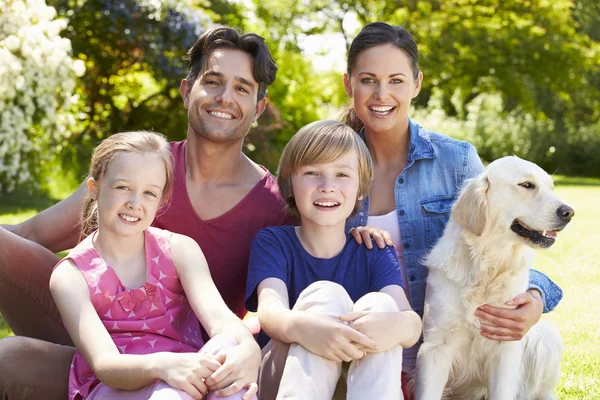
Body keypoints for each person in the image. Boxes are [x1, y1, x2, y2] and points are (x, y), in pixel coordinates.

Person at [0, 26, 383, 399]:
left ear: (258, 107)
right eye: (213, 81)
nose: (224, 97)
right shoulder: (139, 171)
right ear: (188, 91)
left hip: (200, 364)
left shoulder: (273, 203)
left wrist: (360, 234)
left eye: (242, 88)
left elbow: (317, 258)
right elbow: (32, 234)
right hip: (98, 343)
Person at [341, 22, 563, 378]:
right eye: (368, 80)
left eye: (396, 80)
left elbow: (504, 246)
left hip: (444, 362)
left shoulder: (456, 162)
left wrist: (536, 297)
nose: (381, 94)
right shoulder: (329, 165)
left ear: (416, 84)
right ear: (348, 83)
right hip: (362, 357)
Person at [50, 130, 259, 400]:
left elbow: (219, 319)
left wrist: (248, 349)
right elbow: (106, 365)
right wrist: (162, 366)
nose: (135, 203)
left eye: (149, 193)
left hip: (187, 378)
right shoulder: (72, 275)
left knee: (227, 351)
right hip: (118, 388)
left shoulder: (179, 250)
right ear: (94, 188)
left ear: (161, 200)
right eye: (123, 187)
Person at [245, 120, 421, 400]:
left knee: (383, 306)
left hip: (353, 383)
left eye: (342, 174)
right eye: (313, 173)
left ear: (361, 188)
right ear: (290, 184)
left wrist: (393, 326)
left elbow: (411, 323)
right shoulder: (274, 242)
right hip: (280, 380)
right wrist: (308, 329)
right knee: (327, 294)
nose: (327, 186)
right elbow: (269, 313)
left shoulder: (374, 248)